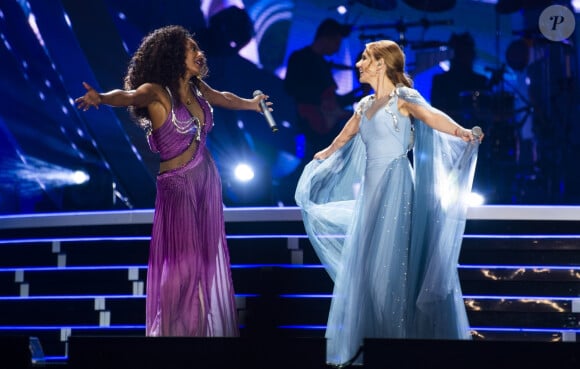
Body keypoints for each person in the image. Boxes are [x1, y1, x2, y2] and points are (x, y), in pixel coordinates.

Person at [75, 25, 272, 337]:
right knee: (184, 265)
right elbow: (127, 95)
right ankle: (171, 334)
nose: (199, 54)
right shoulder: (156, 92)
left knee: (205, 263)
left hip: (206, 181)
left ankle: (196, 333)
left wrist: (251, 104)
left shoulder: (197, 89)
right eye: (191, 49)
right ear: (173, 56)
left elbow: (221, 97)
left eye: (197, 49)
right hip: (177, 186)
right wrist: (100, 97)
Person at [295, 40, 483, 366]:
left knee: (393, 266)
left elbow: (431, 115)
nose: (358, 65)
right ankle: (375, 342)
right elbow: (345, 136)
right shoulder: (364, 104)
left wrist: (461, 131)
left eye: (364, 59)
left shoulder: (403, 97)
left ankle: (398, 346)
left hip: (397, 188)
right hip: (372, 194)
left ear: (381, 63)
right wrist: (323, 156)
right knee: (369, 271)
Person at [284, 18, 361, 180]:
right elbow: (290, 89)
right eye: (336, 42)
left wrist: (360, 93)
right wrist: (320, 102)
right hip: (311, 121)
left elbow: (333, 102)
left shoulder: (321, 64)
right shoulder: (301, 58)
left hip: (323, 122)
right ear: (327, 38)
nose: (338, 48)